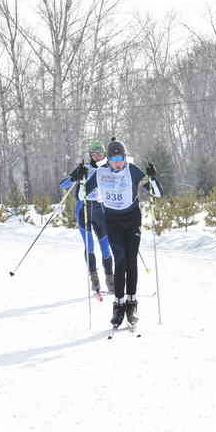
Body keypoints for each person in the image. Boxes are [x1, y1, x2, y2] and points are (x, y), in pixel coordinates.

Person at [77, 137, 162, 328]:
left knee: (131, 261)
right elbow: (81, 195)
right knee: (120, 260)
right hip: (112, 221)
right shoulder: (100, 172)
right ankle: (118, 304)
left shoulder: (132, 170)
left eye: (121, 159)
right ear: (108, 160)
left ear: (125, 158)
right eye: (114, 160)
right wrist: (82, 179)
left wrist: (153, 177)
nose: (118, 164)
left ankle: (132, 304)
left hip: (132, 220)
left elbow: (157, 193)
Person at [60, 140, 113, 294]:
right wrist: (76, 175)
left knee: (105, 247)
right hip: (83, 209)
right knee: (89, 246)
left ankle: (110, 280)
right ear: (90, 155)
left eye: (100, 153)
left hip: (101, 210)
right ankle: (94, 280)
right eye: (94, 154)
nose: (96, 156)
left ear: (104, 154)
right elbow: (63, 185)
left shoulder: (108, 169)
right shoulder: (85, 168)